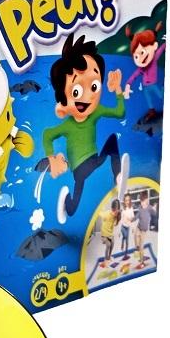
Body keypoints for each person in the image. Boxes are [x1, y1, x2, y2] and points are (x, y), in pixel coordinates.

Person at [41, 35, 125, 222]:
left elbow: (120, 113)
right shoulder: (68, 124)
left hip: (86, 167)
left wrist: (117, 89)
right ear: (62, 104)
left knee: (74, 204)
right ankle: (117, 176)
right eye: (76, 91)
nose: (87, 96)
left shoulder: (95, 112)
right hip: (84, 167)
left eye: (94, 86)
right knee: (112, 142)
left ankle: (68, 203)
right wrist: (52, 159)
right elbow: (47, 134)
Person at [125, 27, 165, 118]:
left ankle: (163, 88)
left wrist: (165, 44)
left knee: (160, 96)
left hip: (153, 85)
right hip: (145, 87)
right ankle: (151, 110)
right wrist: (128, 85)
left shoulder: (154, 59)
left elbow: (160, 49)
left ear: (154, 46)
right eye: (136, 57)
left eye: (142, 53)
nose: (139, 59)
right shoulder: (141, 68)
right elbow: (133, 76)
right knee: (148, 98)